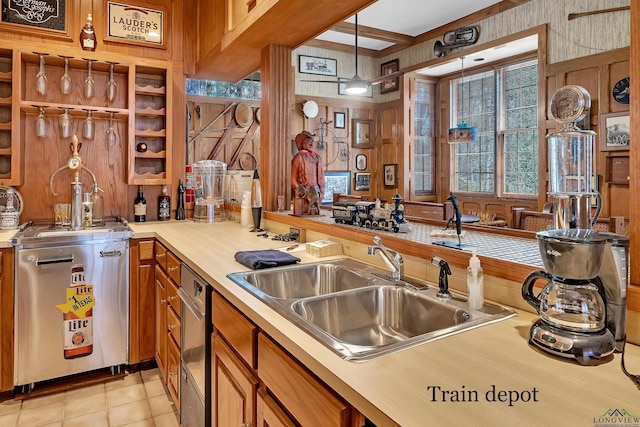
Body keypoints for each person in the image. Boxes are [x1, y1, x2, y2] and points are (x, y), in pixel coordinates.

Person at [291, 130, 325, 215]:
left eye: (312, 141)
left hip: (316, 195)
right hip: (303, 196)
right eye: (308, 141)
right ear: (303, 144)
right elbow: (293, 180)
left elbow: (321, 179)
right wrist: (302, 192)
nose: (311, 143)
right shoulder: (298, 158)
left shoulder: (318, 158)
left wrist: (321, 194)